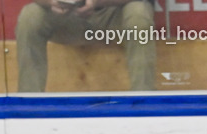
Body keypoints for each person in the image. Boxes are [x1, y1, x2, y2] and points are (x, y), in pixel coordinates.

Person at [15, 0, 156, 92]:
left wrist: (96, 2)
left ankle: (143, 100)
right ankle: (28, 102)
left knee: (139, 12)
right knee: (30, 15)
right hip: (67, 18)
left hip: (115, 15)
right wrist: (52, 2)